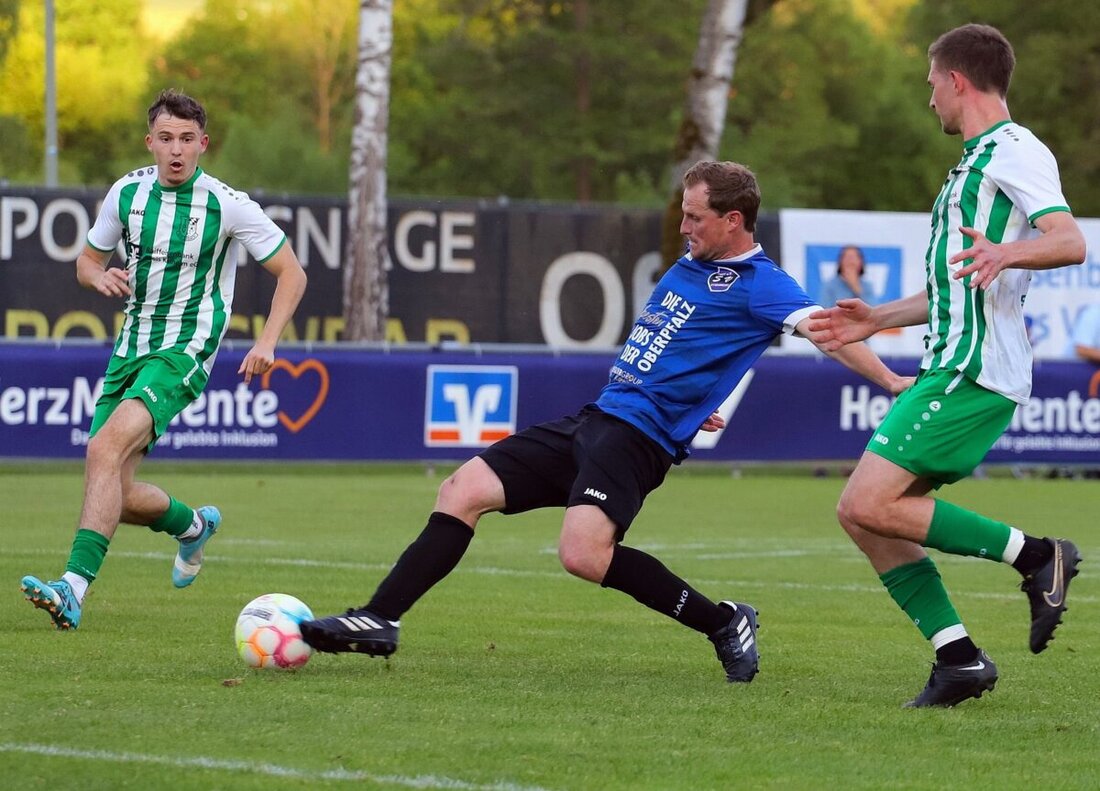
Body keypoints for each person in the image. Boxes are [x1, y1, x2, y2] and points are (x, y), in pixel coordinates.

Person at [301, 160, 911, 683]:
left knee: (583, 556)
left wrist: (889, 381)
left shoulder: (762, 283)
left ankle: (724, 622)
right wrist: (705, 399)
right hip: (596, 418)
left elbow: (826, 332)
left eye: (694, 216)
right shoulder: (689, 266)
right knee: (461, 490)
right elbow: (690, 347)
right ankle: (380, 618)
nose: (683, 226)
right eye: (683, 213)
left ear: (732, 220)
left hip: (637, 439)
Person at [808, 24, 1086, 708]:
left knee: (865, 501)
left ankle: (1037, 554)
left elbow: (1070, 240)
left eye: (932, 82)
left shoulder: (1014, 151)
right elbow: (952, 289)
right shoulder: (972, 164)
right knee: (864, 516)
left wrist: (1007, 254)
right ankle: (958, 657)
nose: (929, 97)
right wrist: (876, 319)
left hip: (973, 368)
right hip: (952, 362)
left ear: (958, 80)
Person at [21, 89, 307, 630]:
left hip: (184, 350)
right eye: (166, 139)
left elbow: (292, 272)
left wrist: (267, 341)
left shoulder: (227, 204)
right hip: (128, 350)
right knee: (116, 493)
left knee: (102, 449)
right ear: (150, 142)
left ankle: (72, 589)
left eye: (187, 140)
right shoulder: (126, 193)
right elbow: (86, 260)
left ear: (203, 144)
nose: (176, 150)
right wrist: (98, 274)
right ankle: (192, 525)